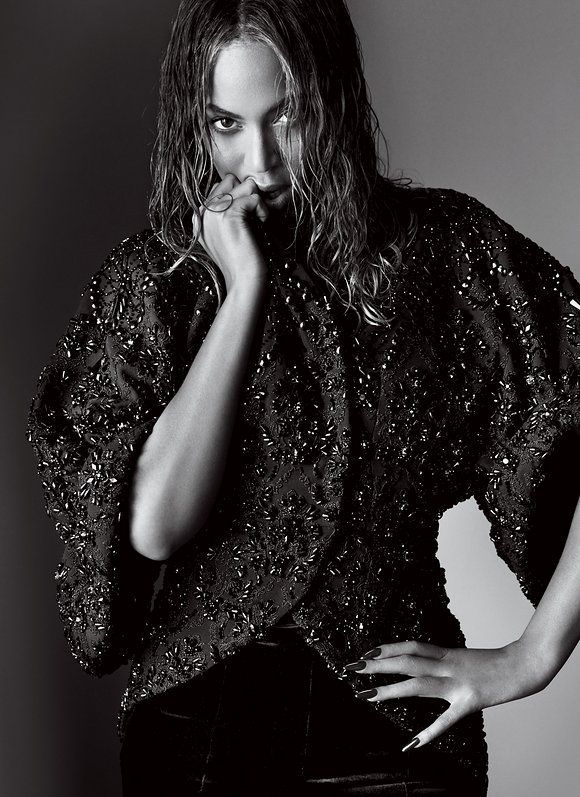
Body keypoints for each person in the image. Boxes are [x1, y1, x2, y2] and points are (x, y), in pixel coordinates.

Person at [27, 0, 580, 795]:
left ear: (334, 100)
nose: (258, 160)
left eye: (284, 117)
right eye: (225, 124)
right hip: (200, 727)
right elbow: (153, 527)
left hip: (393, 723)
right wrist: (243, 290)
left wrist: (533, 655)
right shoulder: (157, 281)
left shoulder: (447, 252)